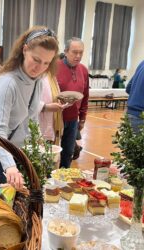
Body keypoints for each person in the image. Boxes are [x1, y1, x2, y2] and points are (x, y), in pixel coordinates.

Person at [0, 26, 60, 190]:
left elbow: (32, 117)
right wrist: (9, 166)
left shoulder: (37, 80)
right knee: (3, 207)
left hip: (17, 152)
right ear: (24, 50)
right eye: (36, 60)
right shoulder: (8, 83)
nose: (40, 68)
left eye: (46, 63)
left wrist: (38, 144)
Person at [56, 37, 89, 168]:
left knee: (68, 153)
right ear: (65, 51)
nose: (78, 55)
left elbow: (85, 95)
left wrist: (83, 118)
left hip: (73, 120)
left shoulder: (83, 70)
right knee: (52, 154)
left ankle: (63, 182)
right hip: (56, 118)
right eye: (74, 52)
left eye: (81, 52)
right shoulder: (55, 67)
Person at [39, 72, 64, 145]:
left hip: (53, 123)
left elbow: (57, 94)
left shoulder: (51, 75)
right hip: (39, 126)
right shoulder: (32, 75)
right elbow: (27, 102)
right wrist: (45, 107)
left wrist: (62, 100)